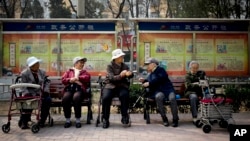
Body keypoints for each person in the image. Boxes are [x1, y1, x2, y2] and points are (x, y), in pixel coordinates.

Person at [139, 58, 179, 127]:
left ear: (154, 64)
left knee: (172, 99)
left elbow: (159, 79)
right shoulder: (151, 73)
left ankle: (175, 119)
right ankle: (164, 118)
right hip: (159, 91)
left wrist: (149, 83)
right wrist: (144, 81)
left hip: (168, 90)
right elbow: (151, 81)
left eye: (148, 64)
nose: (147, 66)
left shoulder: (161, 70)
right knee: (158, 97)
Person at [101, 49, 134, 129]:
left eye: (122, 56)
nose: (122, 57)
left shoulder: (124, 66)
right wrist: (121, 75)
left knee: (124, 95)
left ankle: (124, 116)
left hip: (121, 85)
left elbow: (130, 75)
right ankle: (105, 118)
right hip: (110, 85)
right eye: (120, 56)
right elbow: (111, 78)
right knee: (106, 97)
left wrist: (130, 74)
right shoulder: (109, 66)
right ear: (115, 58)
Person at [20, 56, 51, 129]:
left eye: (38, 63)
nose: (38, 65)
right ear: (31, 65)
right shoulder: (24, 73)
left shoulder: (42, 72)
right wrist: (26, 93)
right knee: (27, 101)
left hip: (40, 92)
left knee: (47, 100)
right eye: (36, 64)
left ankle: (42, 120)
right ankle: (25, 121)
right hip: (29, 92)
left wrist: (46, 90)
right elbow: (22, 85)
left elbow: (47, 82)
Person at [61, 56, 91, 128]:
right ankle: (68, 120)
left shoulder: (84, 72)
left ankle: (78, 120)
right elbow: (63, 80)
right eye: (81, 62)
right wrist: (70, 79)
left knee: (76, 98)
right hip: (70, 89)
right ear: (75, 63)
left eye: (83, 63)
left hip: (79, 90)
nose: (82, 64)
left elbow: (87, 78)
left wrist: (78, 78)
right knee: (65, 98)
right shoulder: (69, 71)